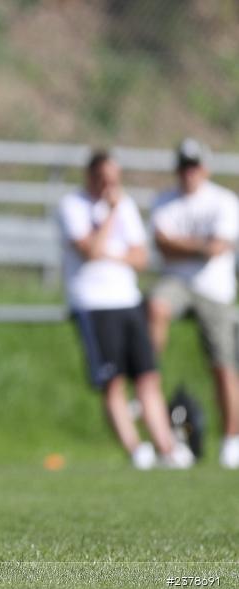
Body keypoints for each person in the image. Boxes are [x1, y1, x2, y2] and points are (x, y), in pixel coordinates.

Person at [59, 151, 193, 469]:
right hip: (94, 303)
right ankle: (137, 451)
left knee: (148, 377)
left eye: (115, 179)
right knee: (113, 381)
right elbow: (90, 250)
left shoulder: (127, 205)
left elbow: (141, 258)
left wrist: (111, 252)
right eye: (105, 179)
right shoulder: (73, 206)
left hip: (128, 300)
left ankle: (167, 449)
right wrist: (109, 215)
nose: (111, 186)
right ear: (90, 176)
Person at [147, 139, 239, 469]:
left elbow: (219, 247)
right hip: (177, 283)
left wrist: (181, 245)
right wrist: (200, 245)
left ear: (206, 169)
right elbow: (162, 245)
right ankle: (148, 369)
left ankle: (231, 440)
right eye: (184, 166)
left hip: (213, 289)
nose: (189, 173)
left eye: (194, 166)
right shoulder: (164, 201)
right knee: (157, 306)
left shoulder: (224, 201)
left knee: (223, 364)